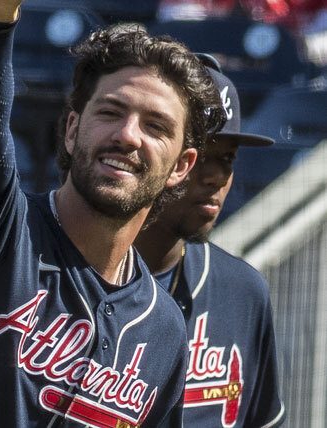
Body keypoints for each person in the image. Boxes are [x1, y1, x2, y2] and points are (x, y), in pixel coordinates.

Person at [0, 0, 225, 426]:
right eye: (111, 112)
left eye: (156, 126)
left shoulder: (165, 329)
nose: (128, 136)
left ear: (182, 166)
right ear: (73, 130)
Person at [134, 58, 286, 427]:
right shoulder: (69, 275)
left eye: (227, 158)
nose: (216, 176)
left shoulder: (243, 291)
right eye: (200, 155)